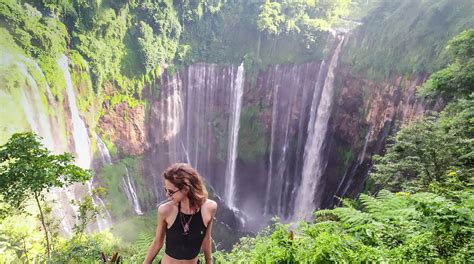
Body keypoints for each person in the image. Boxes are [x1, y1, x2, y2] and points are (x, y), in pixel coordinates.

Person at [144, 163, 217, 264]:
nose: (167, 195)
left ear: (186, 189)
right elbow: (158, 242)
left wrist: (209, 261)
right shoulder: (165, 210)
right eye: (166, 190)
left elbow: (206, 238)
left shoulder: (210, 208)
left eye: (171, 191)